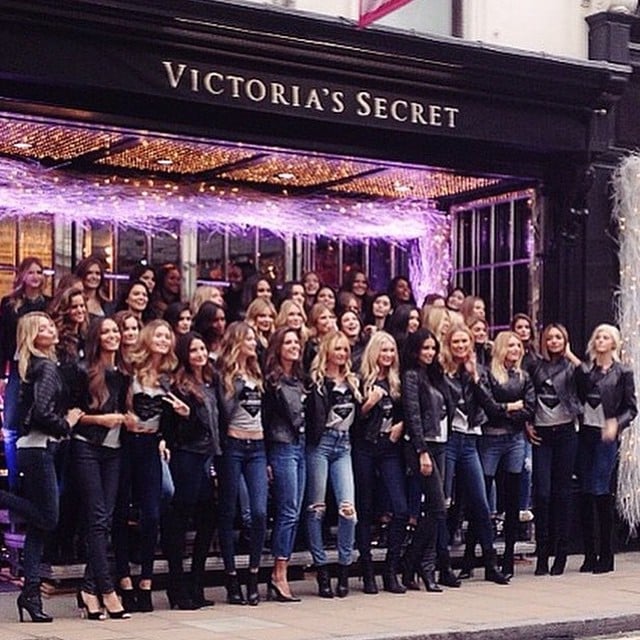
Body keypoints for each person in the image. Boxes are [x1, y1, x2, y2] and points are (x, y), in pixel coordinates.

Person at [0, 312, 83, 622]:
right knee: (49, 516)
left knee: (38, 527)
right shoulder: (45, 366)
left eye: (51, 324)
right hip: (39, 448)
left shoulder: (32, 365)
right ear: (33, 335)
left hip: (32, 448)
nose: (52, 329)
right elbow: (41, 414)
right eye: (44, 327)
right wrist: (67, 423)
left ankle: (31, 594)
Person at [112, 319, 177, 612]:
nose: (163, 340)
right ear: (148, 337)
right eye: (159, 335)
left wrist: (167, 433)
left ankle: (146, 582)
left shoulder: (168, 376)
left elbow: (169, 422)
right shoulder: (130, 370)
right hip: (126, 443)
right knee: (121, 511)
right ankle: (124, 579)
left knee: (152, 514)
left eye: (167, 336)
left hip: (151, 445)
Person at [440, 324, 509, 584]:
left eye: (464, 342)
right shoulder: (441, 371)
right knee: (443, 503)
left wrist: (475, 378)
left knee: (480, 502)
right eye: (455, 342)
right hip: (448, 440)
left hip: (470, 441)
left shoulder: (477, 371)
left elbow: (491, 407)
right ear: (448, 345)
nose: (460, 346)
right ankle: (443, 565)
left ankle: (490, 564)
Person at [72, 317, 131, 620]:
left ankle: (87, 588)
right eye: (106, 331)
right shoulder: (83, 370)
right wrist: (101, 419)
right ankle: (107, 591)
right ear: (96, 337)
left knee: (105, 521)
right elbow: (71, 415)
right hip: (87, 447)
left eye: (115, 331)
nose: (112, 335)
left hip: (115, 450)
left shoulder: (123, 371)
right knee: (97, 519)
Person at [161, 332, 221, 608]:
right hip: (186, 456)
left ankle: (196, 582)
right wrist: (187, 416)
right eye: (194, 350)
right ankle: (177, 585)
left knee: (209, 518)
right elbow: (175, 430)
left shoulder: (211, 380)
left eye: (202, 349)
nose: (200, 354)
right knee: (180, 519)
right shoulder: (178, 385)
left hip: (208, 455)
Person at [575, 324, 637, 574]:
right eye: (598, 337)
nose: (600, 340)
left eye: (605, 337)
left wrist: (616, 424)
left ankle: (607, 555)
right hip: (586, 433)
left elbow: (631, 408)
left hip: (606, 436)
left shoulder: (623, 372)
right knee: (585, 491)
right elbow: (577, 395)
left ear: (614, 343)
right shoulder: (586, 370)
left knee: (601, 490)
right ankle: (590, 554)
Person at [401, 329, 458, 592]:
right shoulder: (411, 376)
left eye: (433, 348)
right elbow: (412, 414)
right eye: (425, 348)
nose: (430, 353)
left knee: (437, 508)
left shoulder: (436, 375)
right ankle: (420, 564)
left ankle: (416, 565)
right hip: (421, 445)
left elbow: (450, 404)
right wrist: (421, 450)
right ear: (415, 350)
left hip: (441, 442)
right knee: (437, 507)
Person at [305, 331, 361, 598]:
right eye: (337, 348)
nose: (342, 353)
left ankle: (344, 568)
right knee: (316, 509)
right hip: (321, 443)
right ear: (327, 350)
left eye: (345, 349)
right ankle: (322, 570)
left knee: (348, 509)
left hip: (344, 443)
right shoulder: (316, 381)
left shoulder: (352, 380)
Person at [476, 331, 535, 579]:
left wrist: (509, 413)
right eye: (511, 345)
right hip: (491, 438)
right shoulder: (488, 374)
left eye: (518, 345)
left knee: (511, 499)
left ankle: (508, 557)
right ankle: (474, 555)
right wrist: (510, 407)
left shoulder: (524, 376)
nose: (516, 349)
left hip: (514, 439)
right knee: (481, 496)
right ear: (500, 347)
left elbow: (530, 408)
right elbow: (489, 408)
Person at [217, 321, 268, 606]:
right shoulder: (224, 374)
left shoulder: (257, 372)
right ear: (237, 341)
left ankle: (253, 574)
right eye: (248, 338)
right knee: (228, 510)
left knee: (259, 512)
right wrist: (235, 382)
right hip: (233, 445)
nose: (254, 343)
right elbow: (224, 411)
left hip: (257, 446)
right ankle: (231, 576)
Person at [353, 331, 407, 595]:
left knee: (400, 509)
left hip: (389, 447)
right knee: (364, 509)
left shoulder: (397, 380)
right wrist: (367, 404)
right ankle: (367, 572)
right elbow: (350, 419)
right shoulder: (360, 377)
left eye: (391, 350)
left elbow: (411, 409)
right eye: (383, 350)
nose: (388, 355)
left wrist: (402, 424)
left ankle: (390, 569)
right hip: (364, 446)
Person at [526, 323, 581, 576]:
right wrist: (527, 423)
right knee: (543, 493)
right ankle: (542, 554)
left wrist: (571, 355)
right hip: (542, 434)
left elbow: (590, 379)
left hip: (566, 432)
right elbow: (527, 394)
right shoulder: (535, 365)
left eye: (559, 337)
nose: (554, 341)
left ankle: (561, 553)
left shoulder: (571, 366)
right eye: (550, 338)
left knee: (563, 493)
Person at [263, 327, 307, 602]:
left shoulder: (301, 379)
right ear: (278, 347)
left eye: (296, 342)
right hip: (281, 445)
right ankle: (279, 573)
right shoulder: (272, 382)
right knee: (287, 510)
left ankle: (283, 568)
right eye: (288, 342)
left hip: (302, 445)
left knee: (295, 511)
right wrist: (267, 456)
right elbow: (266, 420)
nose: (293, 346)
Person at [0, 257, 51, 490]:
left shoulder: (48, 304)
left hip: (42, 368)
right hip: (17, 368)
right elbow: (2, 341)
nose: (36, 276)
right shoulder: (9, 304)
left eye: (39, 272)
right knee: (11, 425)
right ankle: (14, 484)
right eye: (30, 272)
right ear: (21, 275)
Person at [245, 297, 277, 368]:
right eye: (262, 316)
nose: (267, 320)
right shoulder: (248, 340)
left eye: (270, 316)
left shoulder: (274, 339)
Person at [303, 302, 336, 371]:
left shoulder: (339, 341)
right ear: (315, 321)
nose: (328, 321)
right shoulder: (310, 345)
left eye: (331, 317)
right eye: (323, 318)